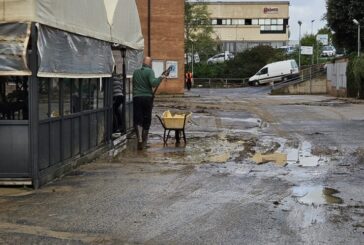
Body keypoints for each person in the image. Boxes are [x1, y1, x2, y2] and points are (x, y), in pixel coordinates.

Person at [133, 57, 166, 150]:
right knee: (147, 118)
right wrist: (161, 77)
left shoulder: (135, 72)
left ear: (143, 62)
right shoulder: (149, 71)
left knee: (137, 118)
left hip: (136, 97)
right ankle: (144, 141)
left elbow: (134, 84)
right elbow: (153, 83)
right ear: (150, 63)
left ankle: (139, 139)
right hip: (147, 98)